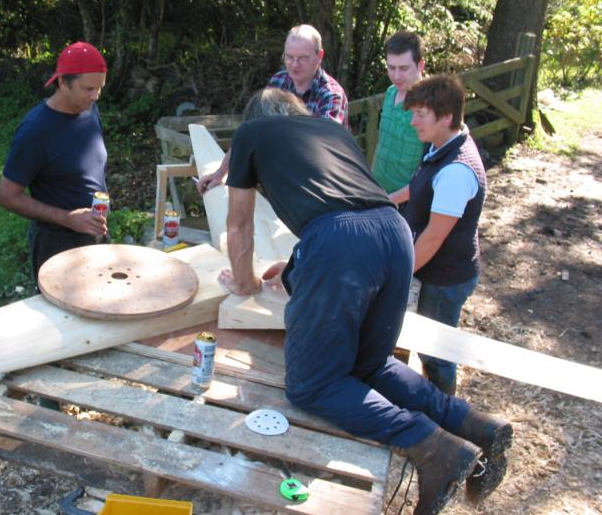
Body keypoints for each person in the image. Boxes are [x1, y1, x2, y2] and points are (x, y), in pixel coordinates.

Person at [219, 87, 511, 514]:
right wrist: (300, 266)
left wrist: (244, 284)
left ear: (254, 117)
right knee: (368, 365)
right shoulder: (329, 130)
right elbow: (351, 209)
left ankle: (431, 447)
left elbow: (239, 224)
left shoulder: (251, 132)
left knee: (313, 385)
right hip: (394, 235)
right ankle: (476, 425)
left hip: (340, 244)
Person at [390, 76, 487, 397]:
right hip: (434, 269)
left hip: (447, 277)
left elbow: (434, 236)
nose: (413, 122)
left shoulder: (457, 171)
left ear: (446, 117)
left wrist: (400, 275)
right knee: (424, 344)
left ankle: (447, 410)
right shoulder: (440, 146)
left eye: (420, 114)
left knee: (437, 353)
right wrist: (388, 200)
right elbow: (421, 185)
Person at [0, 42, 109, 283]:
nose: (95, 96)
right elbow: (7, 196)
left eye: (100, 88)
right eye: (88, 88)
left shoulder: (90, 109)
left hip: (94, 233)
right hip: (57, 243)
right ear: (62, 82)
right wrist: (68, 218)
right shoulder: (35, 131)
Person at [195, 24, 348, 194]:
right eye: (289, 57)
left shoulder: (331, 95)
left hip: (323, 185)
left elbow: (323, 150)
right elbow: (251, 130)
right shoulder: (278, 81)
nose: (294, 64)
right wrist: (220, 173)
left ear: (319, 56)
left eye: (302, 58)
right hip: (285, 178)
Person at [372, 31, 426, 194]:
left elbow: (430, 171)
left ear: (420, 65)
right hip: (377, 190)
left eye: (403, 68)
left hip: (405, 200)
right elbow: (382, 143)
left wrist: (393, 200)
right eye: (391, 67)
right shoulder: (391, 92)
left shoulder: (429, 105)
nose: (396, 76)